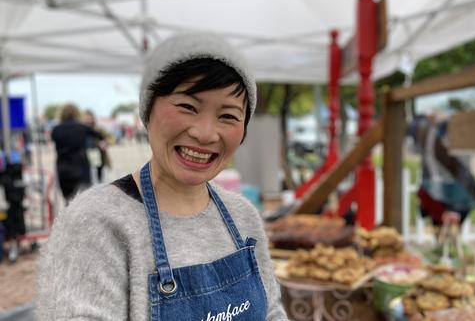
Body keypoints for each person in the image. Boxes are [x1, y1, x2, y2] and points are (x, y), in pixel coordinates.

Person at [37, 33, 288, 320]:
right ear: (147, 110)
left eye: (228, 116)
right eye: (188, 107)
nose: (205, 133)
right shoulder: (95, 223)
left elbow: (271, 311)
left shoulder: (244, 216)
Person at [50, 104, 105, 203]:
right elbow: (100, 136)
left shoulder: (56, 129)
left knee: (68, 201)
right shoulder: (82, 128)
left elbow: (53, 139)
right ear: (76, 114)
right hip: (80, 169)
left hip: (63, 169)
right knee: (83, 202)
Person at [83, 109, 111, 183]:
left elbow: (110, 137)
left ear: (93, 118)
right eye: (86, 118)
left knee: (98, 178)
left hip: (98, 155)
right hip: (85, 156)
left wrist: (105, 143)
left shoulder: (98, 129)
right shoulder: (80, 130)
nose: (88, 120)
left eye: (89, 118)